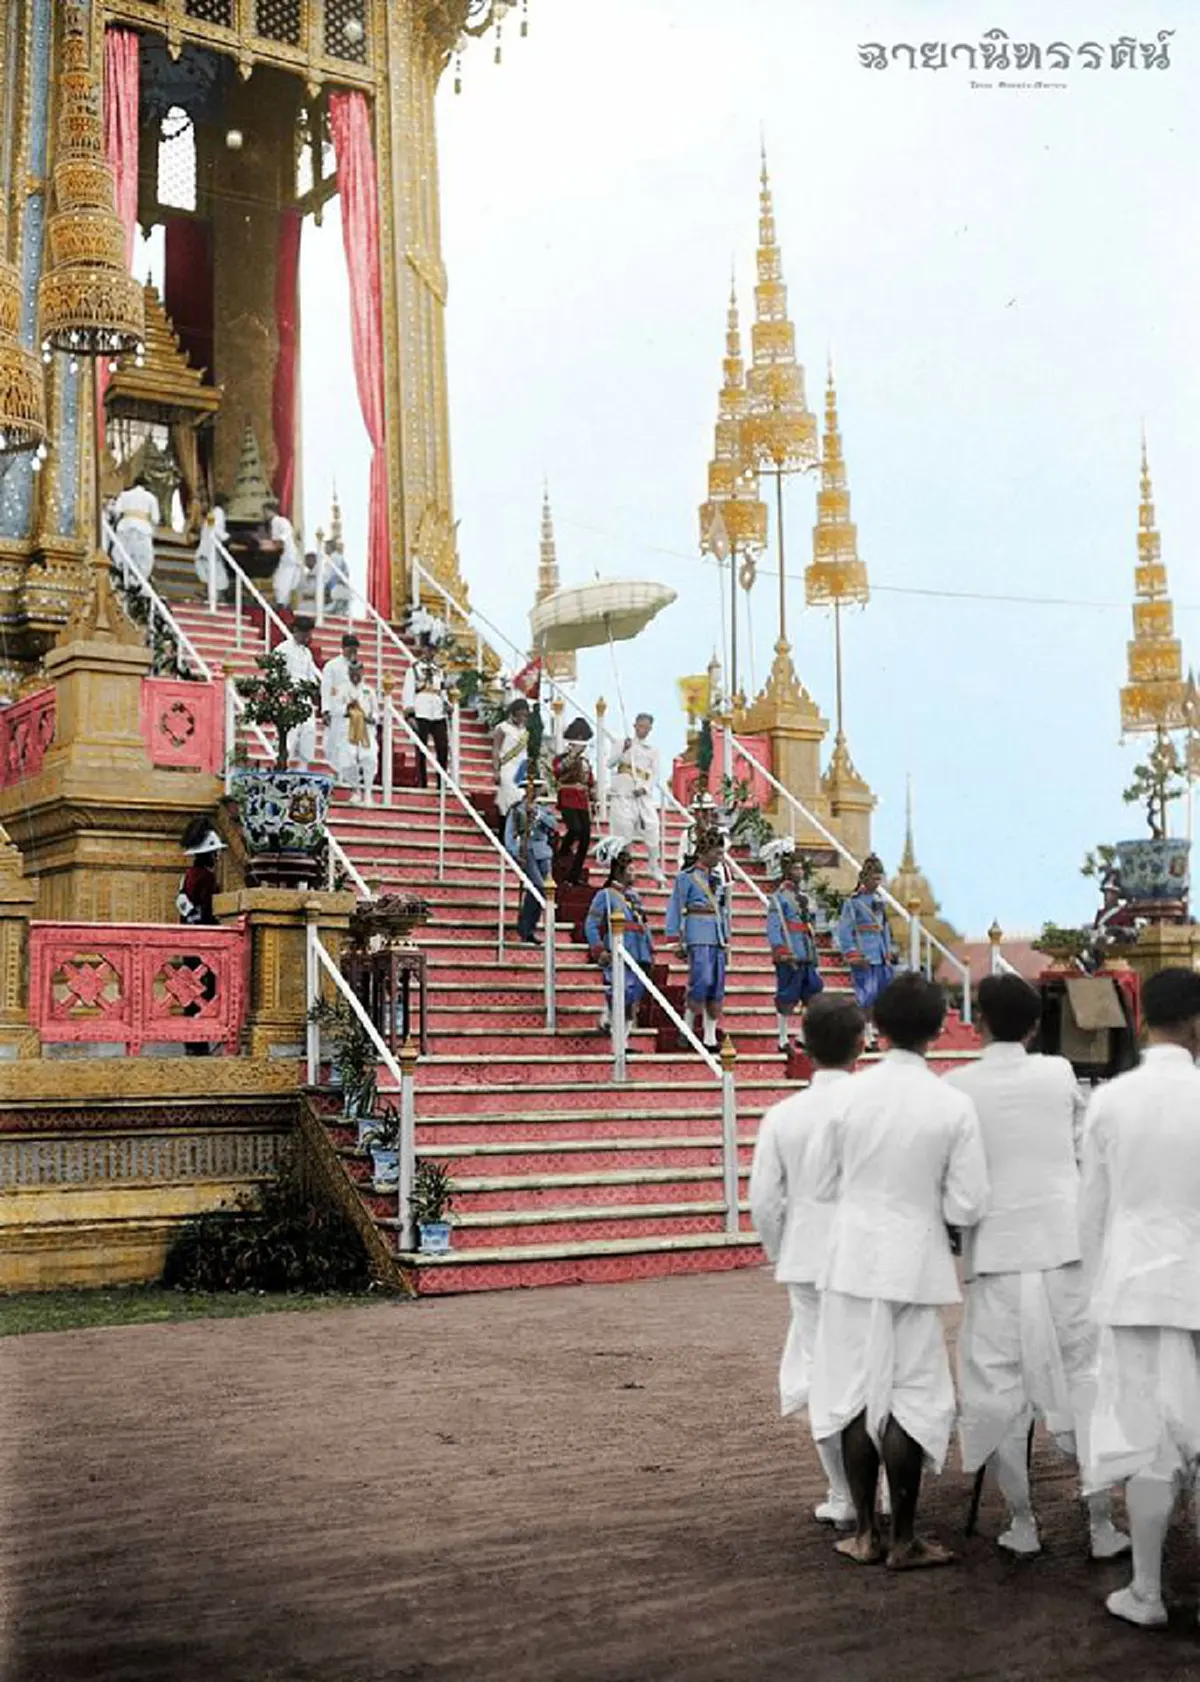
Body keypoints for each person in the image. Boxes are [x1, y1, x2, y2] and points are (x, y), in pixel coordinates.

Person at [944, 974, 1129, 1561]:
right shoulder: (1056, 1074)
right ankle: (1100, 1521)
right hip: (1062, 1245)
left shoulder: (956, 1086)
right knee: (1084, 1374)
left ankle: (1022, 1522)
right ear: (1032, 1027)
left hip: (997, 1251)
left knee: (998, 1384)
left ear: (979, 1024)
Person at [808, 973, 989, 1570]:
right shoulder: (952, 1104)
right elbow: (967, 1204)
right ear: (940, 1029)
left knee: (859, 1394)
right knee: (911, 1394)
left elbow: (823, 1184)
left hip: (853, 1256)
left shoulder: (847, 1099)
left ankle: (865, 1532)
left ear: (874, 1030)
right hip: (915, 1261)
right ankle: (905, 1536)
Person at [1078, 967, 1200, 1629]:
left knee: (1150, 1442)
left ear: (1142, 1017)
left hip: (1132, 1287)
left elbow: (1089, 1212)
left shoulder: (1109, 1101)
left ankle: (1147, 1590)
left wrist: (1094, 1293)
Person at [750, 994, 868, 1529]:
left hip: (809, 1256)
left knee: (822, 1372)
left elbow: (764, 1202)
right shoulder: (876, 1108)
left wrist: (783, 1252)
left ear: (803, 1045)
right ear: (861, 1044)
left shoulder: (783, 1115)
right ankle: (877, 1489)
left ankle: (844, 1492)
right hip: (869, 1254)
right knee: (875, 1367)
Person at [665, 833, 730, 1050]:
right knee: (700, 980)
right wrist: (675, 938)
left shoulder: (718, 879)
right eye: (717, 852)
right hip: (697, 932)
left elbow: (724, 910)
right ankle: (687, 1030)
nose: (721, 857)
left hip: (716, 934)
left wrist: (726, 936)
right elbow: (676, 906)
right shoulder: (686, 877)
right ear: (704, 852)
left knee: (716, 985)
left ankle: (709, 1037)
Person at [584, 839, 654, 1042]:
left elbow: (643, 924)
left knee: (634, 997)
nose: (635, 874)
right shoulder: (605, 895)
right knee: (621, 992)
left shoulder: (634, 896)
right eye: (631, 870)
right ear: (620, 872)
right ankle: (618, 1040)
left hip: (639, 952)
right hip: (620, 949)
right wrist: (598, 949)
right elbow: (591, 924)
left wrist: (650, 949)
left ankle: (623, 1036)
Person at [766, 845, 824, 1053]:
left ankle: (803, 1035)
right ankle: (782, 1038)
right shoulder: (779, 898)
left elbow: (811, 926)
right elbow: (774, 926)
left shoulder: (806, 898)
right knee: (786, 997)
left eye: (801, 869)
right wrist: (780, 950)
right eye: (795, 869)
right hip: (790, 952)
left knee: (812, 993)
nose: (799, 872)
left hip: (807, 951)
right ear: (787, 871)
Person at [176, 818, 226, 1057]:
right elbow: (208, 912)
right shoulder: (206, 878)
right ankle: (200, 1039)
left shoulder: (187, 875)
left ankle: (191, 1039)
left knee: (190, 987)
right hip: (204, 941)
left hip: (187, 937)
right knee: (205, 989)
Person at [835, 855, 897, 1046]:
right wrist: (852, 953)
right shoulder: (854, 902)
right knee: (866, 997)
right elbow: (844, 930)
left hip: (879, 954)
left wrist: (887, 950)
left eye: (880, 878)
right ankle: (867, 1035)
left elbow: (884, 927)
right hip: (864, 953)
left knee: (880, 997)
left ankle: (875, 1033)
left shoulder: (879, 900)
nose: (877, 882)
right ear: (865, 878)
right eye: (874, 878)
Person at [609, 713, 663, 884]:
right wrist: (623, 749)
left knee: (652, 826)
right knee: (623, 832)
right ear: (635, 725)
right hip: (624, 792)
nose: (643, 730)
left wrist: (645, 788)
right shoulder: (622, 742)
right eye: (641, 726)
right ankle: (623, 868)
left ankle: (653, 866)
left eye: (647, 727)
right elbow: (610, 763)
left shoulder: (653, 750)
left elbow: (655, 774)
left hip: (641, 793)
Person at [504, 778, 558, 947]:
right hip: (526, 851)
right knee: (537, 887)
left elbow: (553, 826)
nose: (533, 791)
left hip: (543, 852)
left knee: (542, 890)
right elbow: (509, 834)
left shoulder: (544, 810)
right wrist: (515, 853)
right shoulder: (516, 809)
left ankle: (528, 926)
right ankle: (525, 927)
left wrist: (537, 813)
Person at [402, 632, 451, 788]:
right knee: (421, 749)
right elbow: (408, 691)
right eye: (428, 648)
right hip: (421, 710)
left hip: (437, 712)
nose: (431, 652)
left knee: (442, 748)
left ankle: (441, 782)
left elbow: (442, 690)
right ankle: (422, 783)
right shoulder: (414, 669)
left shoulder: (439, 670)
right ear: (423, 649)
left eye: (433, 649)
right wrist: (409, 714)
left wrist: (447, 703)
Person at [554, 718, 595, 886]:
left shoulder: (586, 761)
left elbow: (590, 781)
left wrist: (593, 793)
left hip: (582, 799)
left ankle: (575, 875)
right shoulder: (562, 757)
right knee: (575, 828)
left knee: (585, 838)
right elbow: (558, 771)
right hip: (567, 796)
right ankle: (562, 852)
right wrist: (572, 755)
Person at [278, 616, 321, 769]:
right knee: (290, 734)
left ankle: (303, 768)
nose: (307, 637)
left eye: (309, 634)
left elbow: (311, 677)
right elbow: (275, 673)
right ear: (296, 630)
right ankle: (284, 767)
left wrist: (312, 688)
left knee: (308, 732)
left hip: (305, 698)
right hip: (289, 698)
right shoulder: (283, 649)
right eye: (305, 633)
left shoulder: (307, 653)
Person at [320, 633, 361, 772]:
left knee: (349, 747)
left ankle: (344, 774)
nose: (353, 652)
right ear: (343, 648)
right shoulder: (332, 666)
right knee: (331, 744)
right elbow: (326, 689)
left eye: (355, 649)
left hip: (351, 712)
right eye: (350, 648)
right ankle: (334, 771)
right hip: (335, 710)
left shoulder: (357, 666)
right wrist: (325, 710)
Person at [110, 475, 160, 580]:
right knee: (142, 559)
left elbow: (116, 511)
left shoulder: (124, 495)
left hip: (125, 527)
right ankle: (137, 581)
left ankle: (123, 577)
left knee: (122, 553)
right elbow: (156, 518)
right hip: (143, 529)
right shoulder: (150, 497)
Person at [493, 699, 530, 827]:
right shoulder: (502, 728)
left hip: (521, 769)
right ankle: (503, 833)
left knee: (520, 801)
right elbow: (496, 749)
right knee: (508, 801)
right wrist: (496, 770)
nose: (523, 718)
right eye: (520, 714)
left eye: (525, 715)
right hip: (507, 768)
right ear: (513, 713)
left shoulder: (524, 731)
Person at [267, 496, 302, 610]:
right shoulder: (279, 521)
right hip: (287, 558)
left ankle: (282, 605)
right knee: (280, 581)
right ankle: (282, 603)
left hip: (288, 557)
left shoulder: (278, 521)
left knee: (282, 581)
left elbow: (282, 539)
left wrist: (270, 546)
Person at [194, 493, 229, 600]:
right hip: (211, 553)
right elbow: (216, 530)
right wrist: (228, 538)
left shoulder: (211, 514)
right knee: (220, 581)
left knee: (211, 579)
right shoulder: (219, 513)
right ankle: (214, 601)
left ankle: (209, 597)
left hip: (204, 551)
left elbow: (209, 528)